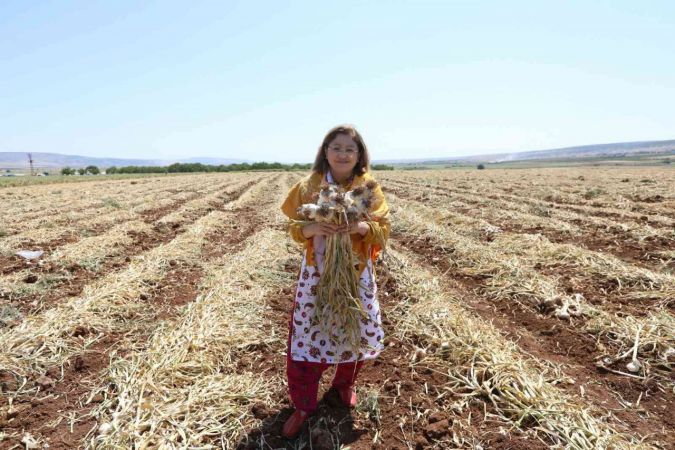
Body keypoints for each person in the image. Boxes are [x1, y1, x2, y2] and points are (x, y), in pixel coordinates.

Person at [279, 124, 390, 439]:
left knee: (356, 331)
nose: (343, 154)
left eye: (350, 149)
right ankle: (303, 404)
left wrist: (362, 230)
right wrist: (311, 230)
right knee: (309, 334)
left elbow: (385, 230)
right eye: (336, 147)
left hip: (356, 274)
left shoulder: (368, 188)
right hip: (318, 275)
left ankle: (344, 385)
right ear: (325, 151)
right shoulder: (309, 187)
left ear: (359, 156)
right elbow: (295, 226)